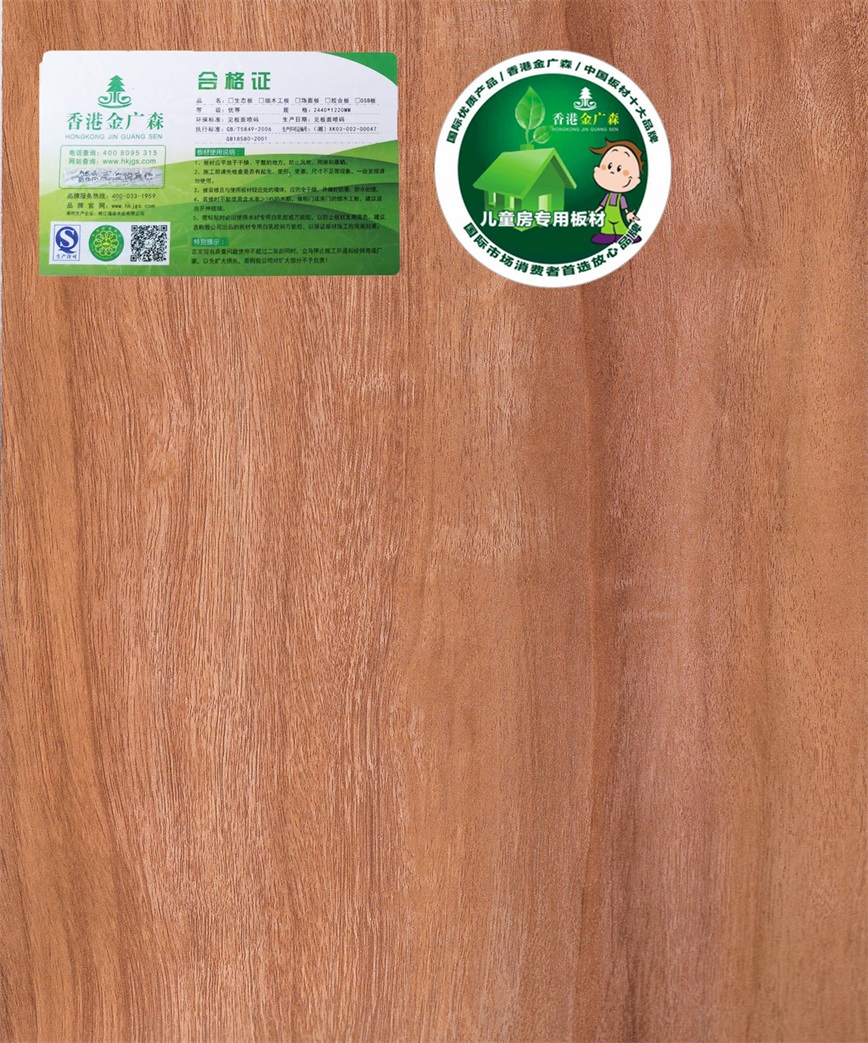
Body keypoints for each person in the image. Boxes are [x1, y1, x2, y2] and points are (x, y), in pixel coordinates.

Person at [588, 139, 644, 245]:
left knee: (620, 227)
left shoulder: (621, 198)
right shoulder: (607, 196)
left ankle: (623, 235)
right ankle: (606, 235)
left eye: (619, 169)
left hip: (618, 217)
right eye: (609, 166)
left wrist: (628, 214)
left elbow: (624, 207)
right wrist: (595, 212)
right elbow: (602, 205)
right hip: (607, 216)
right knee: (607, 227)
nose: (612, 171)